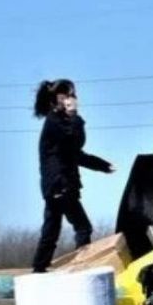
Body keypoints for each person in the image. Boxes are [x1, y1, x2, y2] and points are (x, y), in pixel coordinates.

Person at [32, 79, 115, 272]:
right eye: (67, 95)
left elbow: (75, 154)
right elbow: (76, 142)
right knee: (82, 227)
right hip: (61, 184)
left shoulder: (59, 122)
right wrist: (73, 114)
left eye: (72, 95)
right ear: (55, 100)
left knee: (51, 230)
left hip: (55, 185)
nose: (72, 99)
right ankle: (81, 267)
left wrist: (102, 165)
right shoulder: (54, 122)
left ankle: (39, 267)